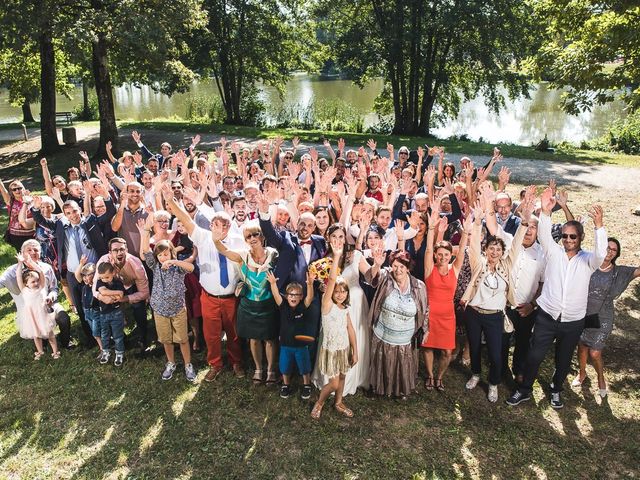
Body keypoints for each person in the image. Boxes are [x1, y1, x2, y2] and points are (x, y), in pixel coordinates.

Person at [507, 188, 607, 409]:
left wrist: (599, 227)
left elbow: (601, 254)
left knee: (562, 361)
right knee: (534, 356)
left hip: (572, 321)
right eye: (564, 236)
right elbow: (543, 234)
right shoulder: (553, 253)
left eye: (573, 236)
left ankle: (555, 390)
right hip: (547, 317)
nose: (568, 239)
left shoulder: (589, 260)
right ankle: (524, 391)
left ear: (580, 238)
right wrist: (545, 211)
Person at [166, 190, 246, 381]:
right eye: (215, 224)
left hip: (231, 298)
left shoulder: (238, 241)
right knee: (211, 334)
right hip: (209, 297)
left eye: (223, 224)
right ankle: (215, 364)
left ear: (229, 226)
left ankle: (236, 362)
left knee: (234, 333)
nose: (219, 228)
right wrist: (171, 201)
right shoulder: (202, 237)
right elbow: (185, 219)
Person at [462, 198, 532, 403]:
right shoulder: (479, 264)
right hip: (474, 313)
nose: (494, 252)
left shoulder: (506, 266)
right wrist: (477, 223)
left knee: (495, 354)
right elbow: (473, 245)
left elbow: (517, 244)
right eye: (491, 249)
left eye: (498, 249)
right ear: (486, 251)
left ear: (502, 253)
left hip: (494, 317)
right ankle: (475, 374)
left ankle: (493, 384)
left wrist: (524, 224)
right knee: (474, 348)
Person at [31, 196, 116, 346]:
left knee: (100, 303)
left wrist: (107, 197)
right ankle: (90, 337)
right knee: (81, 306)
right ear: (65, 215)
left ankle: (108, 334)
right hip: (72, 274)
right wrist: (36, 208)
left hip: (94, 272)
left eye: (75, 211)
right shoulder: (60, 227)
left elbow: (110, 212)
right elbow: (42, 221)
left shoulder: (90, 222)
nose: (73, 215)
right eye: (68, 213)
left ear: (80, 210)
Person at [311, 223, 374, 396]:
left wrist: (377, 266)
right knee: (333, 338)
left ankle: (355, 376)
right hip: (334, 308)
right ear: (328, 239)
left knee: (354, 335)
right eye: (334, 237)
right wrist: (323, 288)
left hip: (356, 303)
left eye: (341, 236)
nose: (338, 240)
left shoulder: (355, 255)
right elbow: (323, 283)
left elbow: (370, 276)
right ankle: (331, 376)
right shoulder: (325, 260)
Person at [573, 237, 640, 397]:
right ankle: (582, 374)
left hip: (603, 317)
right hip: (583, 312)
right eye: (607, 248)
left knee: (595, 353)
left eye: (614, 250)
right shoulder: (589, 263)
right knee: (582, 346)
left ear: (616, 254)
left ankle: (600, 378)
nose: (610, 251)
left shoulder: (619, 272)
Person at [213, 223, 279, 385]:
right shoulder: (243, 256)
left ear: (262, 237)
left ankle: (270, 370)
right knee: (254, 339)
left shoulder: (273, 254)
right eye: (248, 236)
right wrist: (216, 240)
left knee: (270, 339)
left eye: (255, 234)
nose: (252, 238)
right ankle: (258, 369)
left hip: (269, 304)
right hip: (249, 305)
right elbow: (225, 251)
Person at [366, 249, 429, 399]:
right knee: (382, 362)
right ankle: (379, 388)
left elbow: (425, 309)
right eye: (395, 266)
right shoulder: (385, 277)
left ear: (408, 268)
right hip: (383, 332)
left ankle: (401, 390)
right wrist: (376, 265)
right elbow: (371, 278)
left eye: (402, 267)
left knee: (402, 365)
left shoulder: (419, 286)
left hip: (405, 338)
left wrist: (426, 329)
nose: (398, 270)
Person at [139, 222, 197, 382]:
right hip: (160, 309)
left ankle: (188, 364)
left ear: (172, 254)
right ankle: (171, 363)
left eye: (166, 254)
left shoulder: (178, 268)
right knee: (166, 339)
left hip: (178, 309)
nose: (163, 257)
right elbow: (145, 251)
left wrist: (175, 262)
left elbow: (190, 268)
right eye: (160, 255)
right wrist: (144, 233)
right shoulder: (155, 267)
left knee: (183, 339)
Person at [421, 204, 471, 391]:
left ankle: (440, 376)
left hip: (448, 317)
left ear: (451, 256)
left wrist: (465, 233)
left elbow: (463, 251)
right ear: (435, 255)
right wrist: (432, 229)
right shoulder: (429, 269)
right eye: (439, 254)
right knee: (427, 347)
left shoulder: (454, 270)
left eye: (446, 254)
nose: (442, 257)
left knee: (447, 351)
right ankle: (430, 376)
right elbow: (427, 250)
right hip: (430, 314)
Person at [310, 243, 358, 419]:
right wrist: (337, 257)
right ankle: (320, 402)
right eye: (337, 292)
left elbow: (350, 329)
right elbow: (331, 281)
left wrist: (355, 350)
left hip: (344, 349)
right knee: (334, 382)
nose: (339, 294)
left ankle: (338, 402)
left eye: (343, 292)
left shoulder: (344, 307)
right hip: (331, 350)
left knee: (343, 377)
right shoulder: (327, 305)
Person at [0, 240, 72, 349]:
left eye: (36, 250)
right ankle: (42, 343)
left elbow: (54, 288)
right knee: (42, 342)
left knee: (63, 318)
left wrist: (51, 296)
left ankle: (65, 342)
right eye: (29, 250)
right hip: (31, 311)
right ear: (22, 253)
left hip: (48, 304)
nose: (33, 252)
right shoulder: (13, 271)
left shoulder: (46, 268)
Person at [267, 271, 316, 400]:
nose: (293, 297)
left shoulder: (303, 307)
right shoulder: (283, 306)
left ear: (301, 297)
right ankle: (286, 384)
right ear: (286, 296)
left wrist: (310, 284)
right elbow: (276, 294)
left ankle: (306, 384)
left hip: (301, 346)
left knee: (304, 367)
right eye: (291, 294)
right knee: (285, 366)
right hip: (286, 345)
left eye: (297, 295)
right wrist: (273, 283)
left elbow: (310, 298)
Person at [15, 254, 60, 360]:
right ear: (26, 284)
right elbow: (18, 277)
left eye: (37, 281)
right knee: (36, 334)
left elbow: (40, 272)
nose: (36, 283)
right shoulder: (24, 290)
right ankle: (40, 351)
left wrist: (31, 262)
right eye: (33, 282)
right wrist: (20, 263)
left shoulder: (41, 288)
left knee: (50, 333)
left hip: (42, 314)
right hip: (31, 315)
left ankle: (55, 351)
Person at [95, 262, 127, 367]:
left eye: (107, 277)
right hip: (103, 314)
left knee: (118, 335)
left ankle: (119, 353)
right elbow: (103, 292)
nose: (104, 280)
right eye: (102, 278)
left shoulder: (118, 282)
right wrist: (115, 293)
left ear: (113, 273)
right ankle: (106, 351)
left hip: (116, 313)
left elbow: (121, 296)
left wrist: (115, 295)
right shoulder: (99, 282)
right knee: (104, 334)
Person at [74, 259, 103, 357]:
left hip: (95, 312)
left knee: (96, 333)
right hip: (87, 312)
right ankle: (102, 348)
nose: (85, 278)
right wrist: (81, 263)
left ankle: (103, 349)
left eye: (88, 275)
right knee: (95, 332)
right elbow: (77, 275)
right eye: (84, 276)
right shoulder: (84, 285)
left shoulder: (96, 285)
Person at [0, 178, 35, 251]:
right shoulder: (10, 201)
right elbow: (2, 189)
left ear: (23, 188)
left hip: (32, 233)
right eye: (14, 189)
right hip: (16, 235)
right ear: (11, 192)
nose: (17, 190)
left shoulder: (32, 200)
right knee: (21, 255)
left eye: (19, 188)